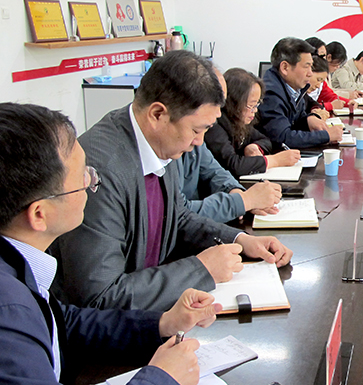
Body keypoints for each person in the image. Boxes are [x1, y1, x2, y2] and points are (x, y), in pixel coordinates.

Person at [50, 51, 293, 312]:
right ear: (158, 114)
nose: (199, 142)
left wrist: (239, 240)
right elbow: (100, 296)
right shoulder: (101, 172)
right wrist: (201, 269)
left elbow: (177, 216)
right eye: (196, 130)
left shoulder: (158, 142)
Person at [0, 102, 221, 385]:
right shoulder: (8, 312)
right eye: (82, 177)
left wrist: (161, 323)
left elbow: (62, 323)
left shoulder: (17, 270)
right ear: (39, 214)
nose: (92, 181)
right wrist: (162, 378)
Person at [205, 68, 300, 179]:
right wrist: (275, 160)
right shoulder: (215, 126)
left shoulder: (240, 121)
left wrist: (254, 147)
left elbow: (265, 140)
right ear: (233, 103)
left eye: (256, 105)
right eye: (250, 105)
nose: (255, 110)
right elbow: (233, 165)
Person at [256, 37, 343, 148]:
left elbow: (295, 120)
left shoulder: (294, 87)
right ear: (285, 67)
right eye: (306, 66)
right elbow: (283, 138)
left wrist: (309, 120)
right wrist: (326, 136)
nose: (310, 73)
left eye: (311, 67)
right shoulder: (271, 94)